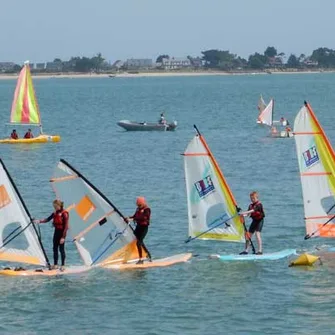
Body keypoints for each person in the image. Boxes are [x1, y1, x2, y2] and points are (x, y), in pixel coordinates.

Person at [34, 200, 69, 271]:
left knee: (61, 249)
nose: (55, 208)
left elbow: (66, 227)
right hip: (56, 232)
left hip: (62, 233)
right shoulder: (55, 213)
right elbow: (47, 219)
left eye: (56, 206)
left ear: (59, 205)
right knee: (54, 248)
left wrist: (63, 237)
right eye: (54, 206)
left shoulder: (64, 214)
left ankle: (63, 265)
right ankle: (55, 264)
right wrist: (39, 221)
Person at [125, 197, 152, 264]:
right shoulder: (138, 209)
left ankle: (141, 259)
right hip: (138, 227)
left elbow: (143, 218)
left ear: (143, 203)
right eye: (138, 205)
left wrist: (132, 219)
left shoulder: (147, 209)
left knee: (139, 243)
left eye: (140, 205)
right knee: (136, 240)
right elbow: (135, 216)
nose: (139, 206)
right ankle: (147, 255)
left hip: (144, 228)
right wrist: (129, 217)